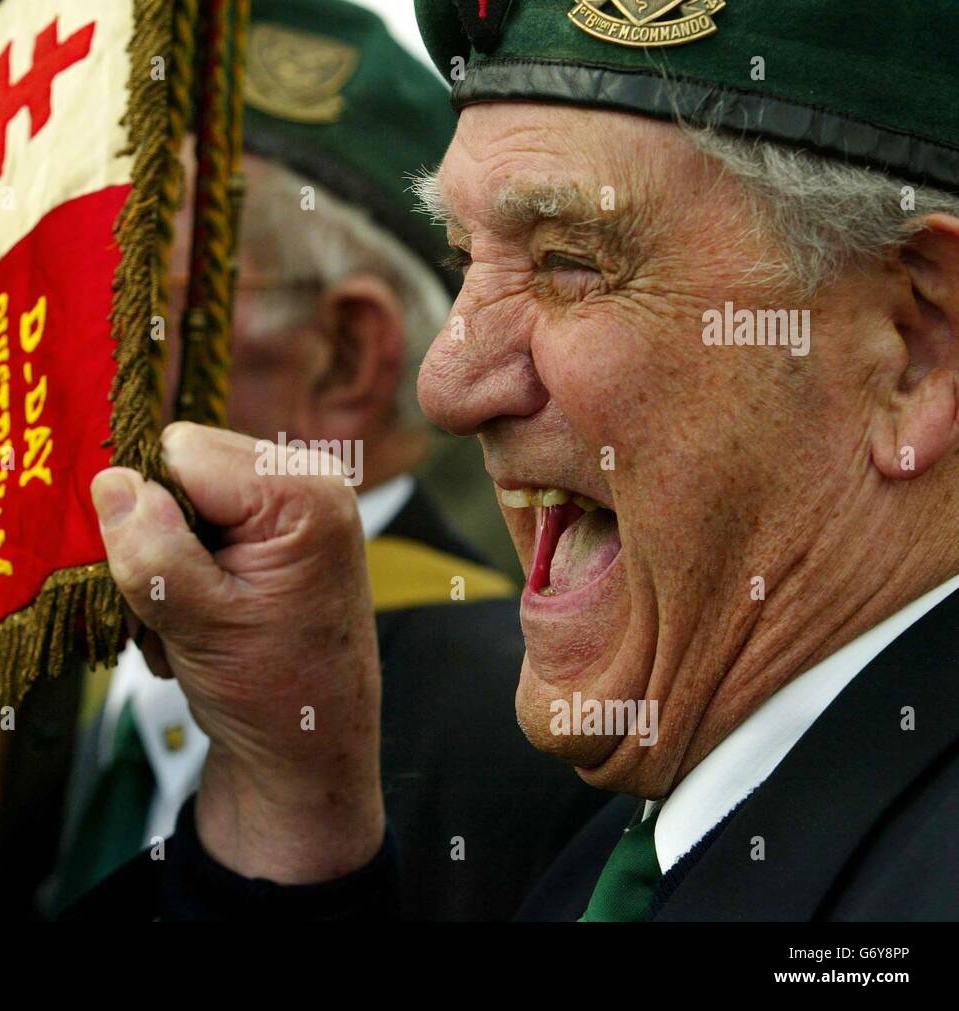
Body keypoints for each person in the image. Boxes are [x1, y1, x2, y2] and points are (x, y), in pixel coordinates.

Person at [67, 0, 959, 920]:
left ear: (912, 347)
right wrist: (288, 811)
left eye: (569, 262)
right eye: (463, 259)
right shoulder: (649, 839)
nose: (445, 385)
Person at [0, 0, 604, 923]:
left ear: (343, 357)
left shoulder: (540, 741)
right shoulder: (61, 665)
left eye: (115, 282)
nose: (25, 342)